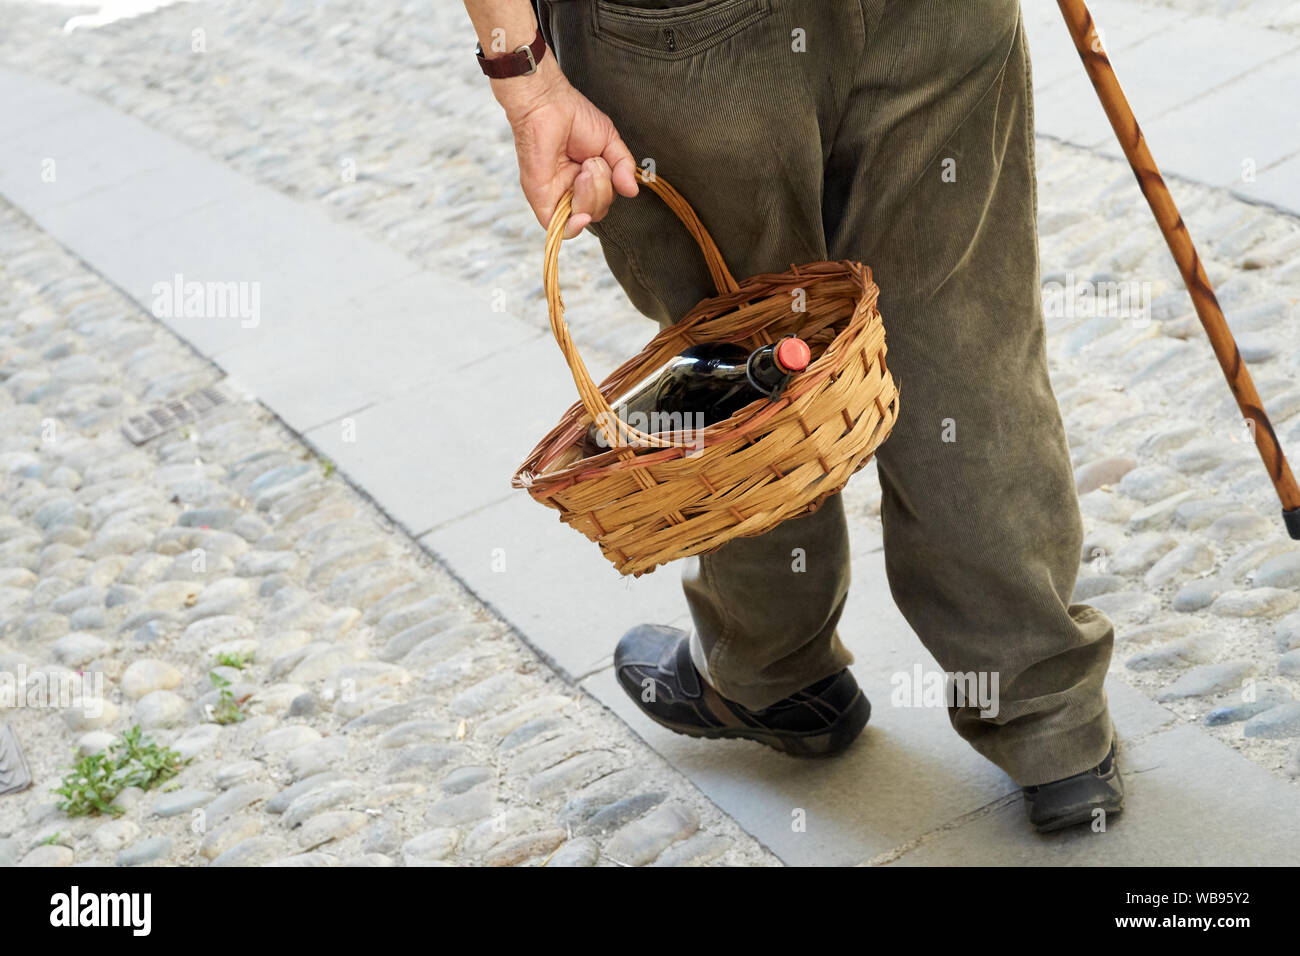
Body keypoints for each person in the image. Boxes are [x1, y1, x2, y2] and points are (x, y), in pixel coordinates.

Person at [462, 0, 1123, 833]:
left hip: (688, 37)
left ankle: (773, 672)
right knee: (965, 336)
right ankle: (1048, 720)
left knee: (745, 353)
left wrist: (523, 77)